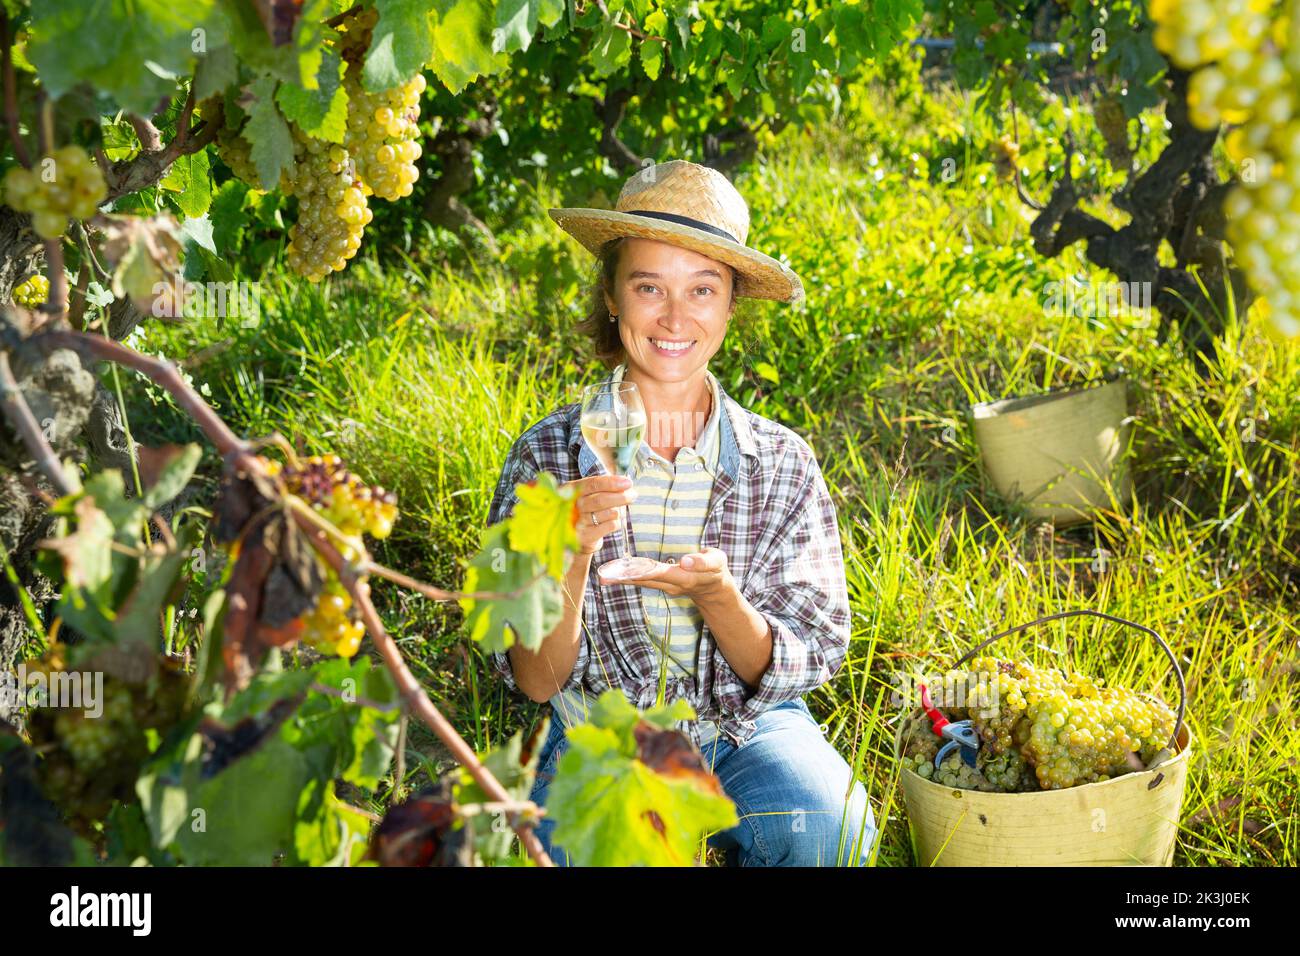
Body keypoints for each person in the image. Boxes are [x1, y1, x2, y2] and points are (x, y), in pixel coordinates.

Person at [486, 160, 876, 866]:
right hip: (601, 734)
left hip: (745, 726)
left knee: (829, 830)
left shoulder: (780, 462)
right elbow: (537, 679)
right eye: (648, 288)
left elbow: (796, 661)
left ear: (731, 306)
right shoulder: (547, 457)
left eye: (702, 289)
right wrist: (569, 553)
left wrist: (718, 598)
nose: (674, 318)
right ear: (611, 295)